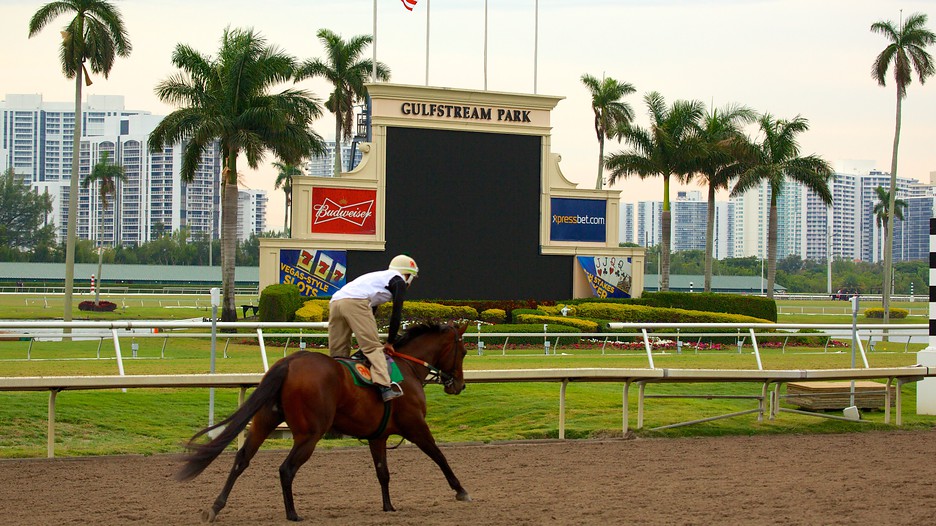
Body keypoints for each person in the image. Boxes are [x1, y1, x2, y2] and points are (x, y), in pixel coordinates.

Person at [328, 254, 419, 402]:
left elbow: (372, 311)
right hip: (355, 301)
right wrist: (389, 342)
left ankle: (335, 384)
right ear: (408, 275)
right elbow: (396, 315)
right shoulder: (399, 281)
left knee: (338, 352)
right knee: (372, 347)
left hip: (336, 301)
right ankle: (385, 387)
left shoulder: (380, 278)